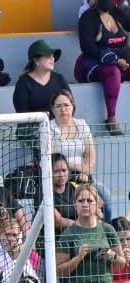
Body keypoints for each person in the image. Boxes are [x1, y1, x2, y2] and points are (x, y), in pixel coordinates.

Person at [50, 89, 114, 220]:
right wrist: (76, 167)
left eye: (66, 105)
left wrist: (85, 172)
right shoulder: (49, 128)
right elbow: (53, 158)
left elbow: (90, 154)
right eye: (58, 106)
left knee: (105, 196)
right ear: (53, 109)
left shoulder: (81, 124)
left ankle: (106, 229)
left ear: (72, 107)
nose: (63, 109)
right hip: (61, 178)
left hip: (84, 176)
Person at [76, 0, 130, 135]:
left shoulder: (118, 13)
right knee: (113, 72)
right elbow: (87, 47)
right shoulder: (88, 17)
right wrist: (115, 60)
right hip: (93, 63)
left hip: (120, 60)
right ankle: (111, 119)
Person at [13, 40, 70, 127]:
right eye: (48, 56)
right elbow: (23, 116)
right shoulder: (23, 84)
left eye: (53, 56)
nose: (52, 59)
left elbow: (70, 105)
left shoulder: (59, 79)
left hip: (59, 128)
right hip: (33, 131)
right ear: (36, 61)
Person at [50, 153, 80, 235]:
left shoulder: (74, 187)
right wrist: (83, 226)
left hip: (77, 235)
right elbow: (57, 221)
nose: (61, 175)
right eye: (56, 171)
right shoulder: (44, 192)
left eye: (64, 170)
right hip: (56, 238)